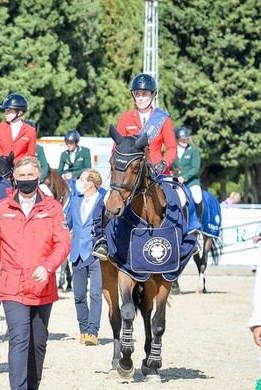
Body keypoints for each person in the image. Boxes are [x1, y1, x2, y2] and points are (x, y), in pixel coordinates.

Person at [0, 157, 71, 390]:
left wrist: (49, 266)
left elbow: (63, 243)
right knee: (19, 339)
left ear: (38, 177)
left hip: (43, 288)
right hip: (13, 287)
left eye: (30, 176)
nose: (26, 180)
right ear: (14, 178)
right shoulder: (2, 209)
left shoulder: (52, 207)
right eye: (21, 176)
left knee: (38, 343)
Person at [93, 73, 177, 259]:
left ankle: (184, 239)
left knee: (179, 198)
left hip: (157, 170)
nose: (141, 97)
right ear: (133, 96)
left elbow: (171, 148)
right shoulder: (125, 119)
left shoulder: (162, 119)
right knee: (104, 200)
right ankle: (102, 241)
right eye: (137, 94)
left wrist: (163, 163)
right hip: (131, 173)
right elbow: (117, 148)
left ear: (152, 95)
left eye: (145, 94)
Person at [66, 169, 105, 346]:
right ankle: (83, 329)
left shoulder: (103, 201)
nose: (78, 182)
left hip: (96, 254)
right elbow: (67, 224)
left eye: (81, 179)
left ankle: (92, 331)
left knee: (96, 294)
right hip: (77, 254)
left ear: (90, 183)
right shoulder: (75, 201)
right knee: (79, 295)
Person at [0, 93, 36, 162]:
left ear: (20, 112)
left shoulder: (30, 131)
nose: (5, 113)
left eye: (8, 111)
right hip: (3, 168)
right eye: (5, 110)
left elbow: (31, 155)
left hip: (20, 168)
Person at [172, 127, 203, 217]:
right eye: (182, 139)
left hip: (191, 182)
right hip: (175, 182)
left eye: (186, 139)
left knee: (197, 197)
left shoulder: (193, 151)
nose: (185, 141)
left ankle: (198, 220)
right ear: (177, 139)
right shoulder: (173, 151)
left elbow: (195, 168)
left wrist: (184, 177)